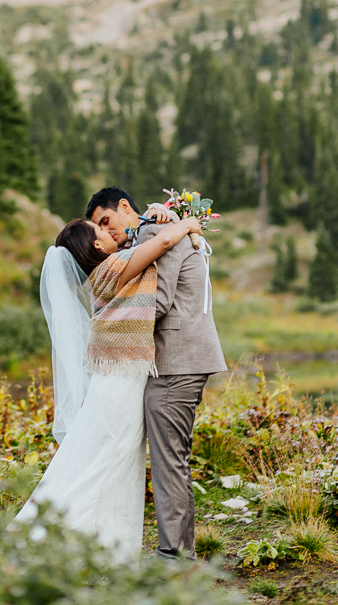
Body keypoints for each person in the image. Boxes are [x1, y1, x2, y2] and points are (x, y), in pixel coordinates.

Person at [15, 207, 202, 562]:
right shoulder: (109, 270)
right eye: (97, 231)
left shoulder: (105, 272)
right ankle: (76, 548)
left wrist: (154, 216)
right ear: (96, 248)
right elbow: (163, 241)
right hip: (118, 391)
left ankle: (104, 545)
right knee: (105, 466)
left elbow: (148, 238)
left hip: (119, 385)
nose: (107, 232)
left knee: (112, 466)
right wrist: (187, 224)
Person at [86, 187, 227, 560]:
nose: (107, 231)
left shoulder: (152, 232)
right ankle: (179, 551)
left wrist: (106, 315)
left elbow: (159, 300)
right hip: (183, 357)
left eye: (105, 221)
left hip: (175, 360)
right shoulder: (157, 227)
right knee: (172, 458)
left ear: (123, 207)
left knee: (169, 462)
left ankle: (175, 557)